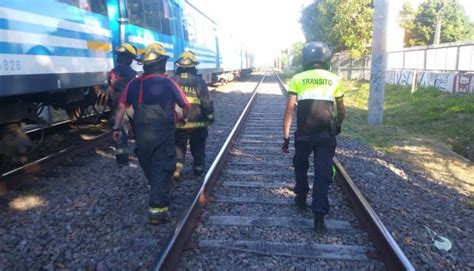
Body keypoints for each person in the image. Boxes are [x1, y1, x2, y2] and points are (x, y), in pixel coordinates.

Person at [112, 43, 190, 224]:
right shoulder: (169, 82)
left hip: (142, 133)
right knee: (163, 166)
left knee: (148, 163)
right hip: (163, 132)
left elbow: (121, 108)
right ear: (162, 64)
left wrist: (116, 129)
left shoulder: (134, 84)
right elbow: (185, 105)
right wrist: (183, 118)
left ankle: (157, 188)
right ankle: (157, 210)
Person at [281, 41, 345, 234]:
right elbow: (341, 109)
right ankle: (319, 218)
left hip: (303, 134)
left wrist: (286, 138)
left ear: (306, 58)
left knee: (300, 164)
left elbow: (289, 110)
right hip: (326, 135)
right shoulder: (335, 79)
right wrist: (338, 125)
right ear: (326, 59)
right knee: (323, 173)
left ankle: (301, 198)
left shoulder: (298, 78)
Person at [172, 51, 215, 181]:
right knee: (198, 145)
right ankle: (198, 168)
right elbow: (206, 102)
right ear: (194, 66)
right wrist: (210, 117)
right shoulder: (199, 81)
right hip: (198, 123)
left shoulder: (172, 81)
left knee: (179, 146)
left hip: (178, 123)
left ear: (178, 66)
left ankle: (178, 169)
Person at [108, 43, 138, 165]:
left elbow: (110, 90)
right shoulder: (133, 73)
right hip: (132, 106)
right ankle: (139, 152)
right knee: (139, 130)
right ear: (130, 59)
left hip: (118, 106)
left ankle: (122, 160)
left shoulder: (113, 72)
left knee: (121, 133)